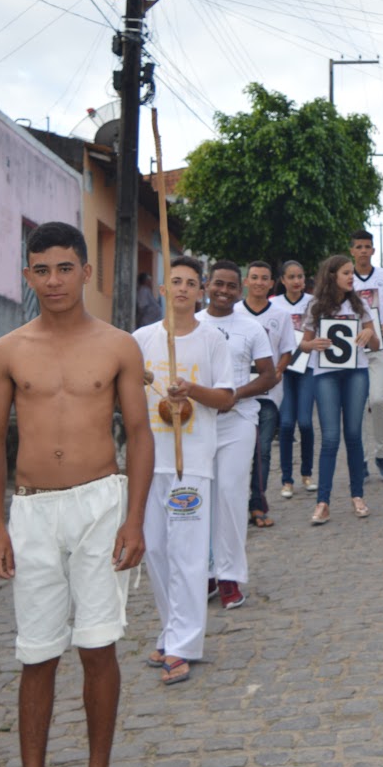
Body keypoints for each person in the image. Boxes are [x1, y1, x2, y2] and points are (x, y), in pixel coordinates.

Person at [0, 221, 154, 767]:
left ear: (85, 272)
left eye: (64, 268)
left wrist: (135, 517)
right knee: (37, 652)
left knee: (98, 645)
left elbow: (139, 434)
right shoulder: (8, 351)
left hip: (100, 504)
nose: (53, 281)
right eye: (41, 270)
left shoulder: (117, 346)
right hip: (32, 511)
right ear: (28, 275)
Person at [132, 256, 234, 683]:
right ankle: (170, 630)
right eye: (175, 281)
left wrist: (192, 390)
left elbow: (226, 398)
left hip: (190, 461)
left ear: (200, 291)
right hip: (148, 459)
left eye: (191, 283)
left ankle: (183, 645)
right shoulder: (140, 340)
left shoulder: (213, 340)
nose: (182, 289)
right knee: (156, 551)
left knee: (187, 554)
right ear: (162, 288)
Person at [198, 262, 279, 610]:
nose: (224, 291)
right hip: (197, 423)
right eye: (219, 284)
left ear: (240, 289)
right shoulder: (192, 324)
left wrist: (235, 395)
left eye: (232, 286)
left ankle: (229, 575)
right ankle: (206, 573)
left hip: (239, 420)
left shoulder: (251, 328)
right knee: (200, 498)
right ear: (207, 285)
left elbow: (269, 375)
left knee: (230, 495)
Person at [299, 254, 377, 524]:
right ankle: (323, 502)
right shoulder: (315, 305)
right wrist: (314, 344)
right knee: (330, 438)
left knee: (354, 435)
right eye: (346, 272)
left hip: (356, 372)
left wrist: (369, 334)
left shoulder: (359, 303)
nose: (351, 277)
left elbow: (375, 344)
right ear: (332, 275)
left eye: (352, 272)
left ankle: (358, 496)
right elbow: (303, 344)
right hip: (325, 374)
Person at [241, 261, 297, 529]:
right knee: (239, 451)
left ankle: (258, 503)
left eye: (264, 278)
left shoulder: (281, 315)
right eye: (254, 277)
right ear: (246, 281)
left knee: (262, 450)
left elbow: (288, 349)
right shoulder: (234, 312)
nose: (259, 282)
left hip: (268, 394)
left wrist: (278, 370)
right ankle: (235, 502)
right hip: (237, 393)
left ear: (272, 283)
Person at [350, 230, 383, 483]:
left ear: (372, 250)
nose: (363, 250)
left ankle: (382, 455)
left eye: (367, 246)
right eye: (358, 246)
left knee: (379, 400)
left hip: (381, 347)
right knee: (357, 407)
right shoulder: (346, 278)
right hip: (353, 352)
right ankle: (359, 459)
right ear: (352, 251)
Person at [272, 261, 315, 498]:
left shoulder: (313, 302)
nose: (296, 281)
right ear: (283, 280)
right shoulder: (274, 304)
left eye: (300, 276)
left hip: (308, 367)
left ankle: (307, 473)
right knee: (287, 424)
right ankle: (286, 480)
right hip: (284, 368)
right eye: (291, 277)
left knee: (306, 423)